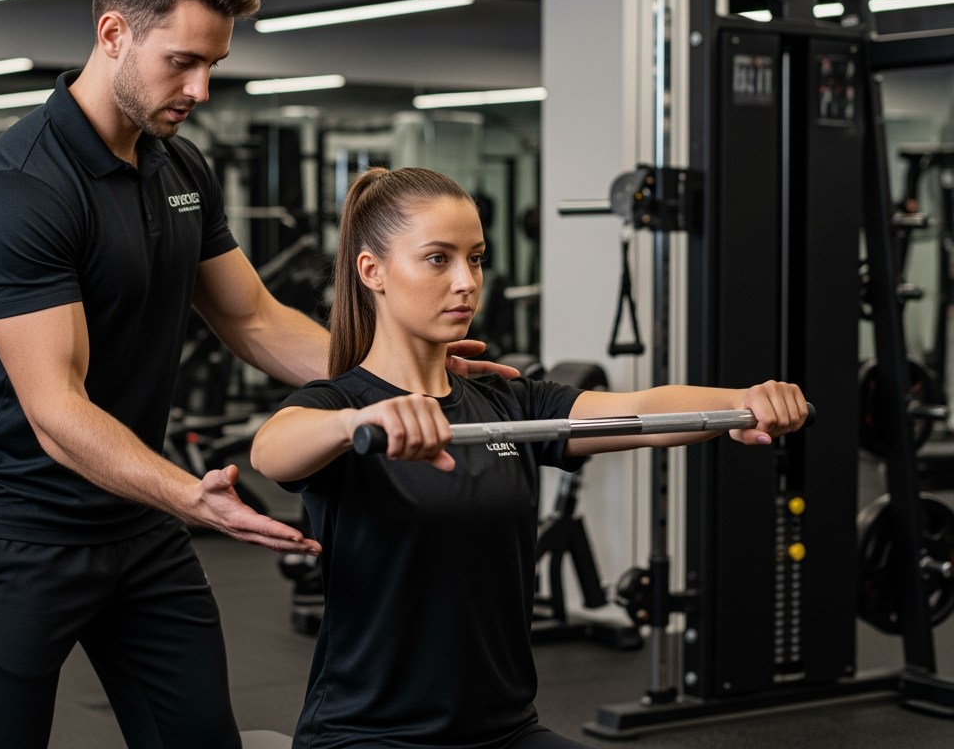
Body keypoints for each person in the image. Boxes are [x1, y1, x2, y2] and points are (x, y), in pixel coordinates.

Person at [0, 0, 515, 749]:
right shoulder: (22, 190)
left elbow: (252, 317)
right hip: (19, 528)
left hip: (136, 523)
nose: (202, 89)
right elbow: (56, 410)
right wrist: (186, 494)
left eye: (213, 64)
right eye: (182, 61)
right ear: (113, 34)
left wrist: (397, 371)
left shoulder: (180, 169)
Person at [250, 168, 809, 749]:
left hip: (505, 733)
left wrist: (744, 404)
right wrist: (358, 424)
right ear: (373, 272)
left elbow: (643, 410)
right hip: (368, 734)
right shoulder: (339, 405)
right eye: (438, 259)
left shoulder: (510, 404)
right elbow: (272, 450)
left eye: (476, 258)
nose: (466, 282)